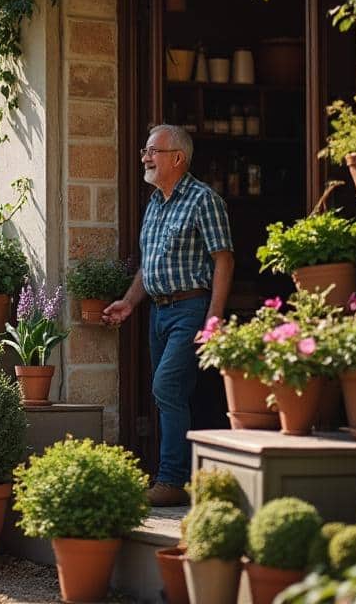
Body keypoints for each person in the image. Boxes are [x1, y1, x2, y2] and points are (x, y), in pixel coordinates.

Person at [103, 125, 233, 507]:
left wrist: (214, 317)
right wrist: (129, 302)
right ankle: (191, 476)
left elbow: (223, 259)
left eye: (153, 151)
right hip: (158, 312)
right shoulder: (155, 203)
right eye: (145, 150)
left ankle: (172, 479)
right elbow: (150, 265)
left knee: (166, 388)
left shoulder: (203, 200)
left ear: (178, 158)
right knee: (170, 394)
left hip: (191, 308)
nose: (145, 156)